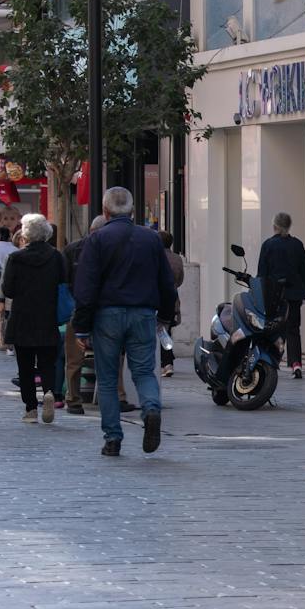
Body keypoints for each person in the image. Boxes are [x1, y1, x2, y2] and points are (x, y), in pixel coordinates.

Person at [73, 187, 178, 458]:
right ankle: (151, 408)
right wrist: (165, 316)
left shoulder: (97, 239)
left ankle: (112, 438)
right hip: (143, 313)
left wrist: (81, 325)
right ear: (132, 211)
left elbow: (86, 285)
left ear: (105, 212)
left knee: (107, 378)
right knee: (143, 371)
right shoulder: (151, 239)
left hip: (107, 315)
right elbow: (166, 282)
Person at [1, 213, 70, 424]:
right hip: (48, 316)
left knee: (25, 365)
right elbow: (65, 283)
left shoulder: (16, 258)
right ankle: (49, 392)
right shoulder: (57, 257)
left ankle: (30, 408)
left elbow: (8, 290)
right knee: (48, 361)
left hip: (22, 317)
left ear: (26, 234)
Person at [62, 216, 129, 415]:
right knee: (111, 355)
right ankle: (118, 396)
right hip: (103, 309)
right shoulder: (112, 250)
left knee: (75, 359)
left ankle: (73, 399)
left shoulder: (73, 249)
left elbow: (65, 281)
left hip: (80, 308)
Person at [256, 212, 305, 377]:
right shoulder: (298, 245)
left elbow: (262, 274)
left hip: (274, 296)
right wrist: (303, 292)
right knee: (293, 329)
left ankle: (272, 362)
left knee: (275, 330)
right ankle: (296, 364)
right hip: (294, 295)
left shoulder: (268, 245)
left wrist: (261, 295)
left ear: (275, 226)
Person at [160, 229, 185, 376]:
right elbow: (180, 280)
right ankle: (168, 362)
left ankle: (165, 363)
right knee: (166, 332)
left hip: (156, 300)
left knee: (159, 333)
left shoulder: (154, 256)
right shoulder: (177, 259)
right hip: (172, 299)